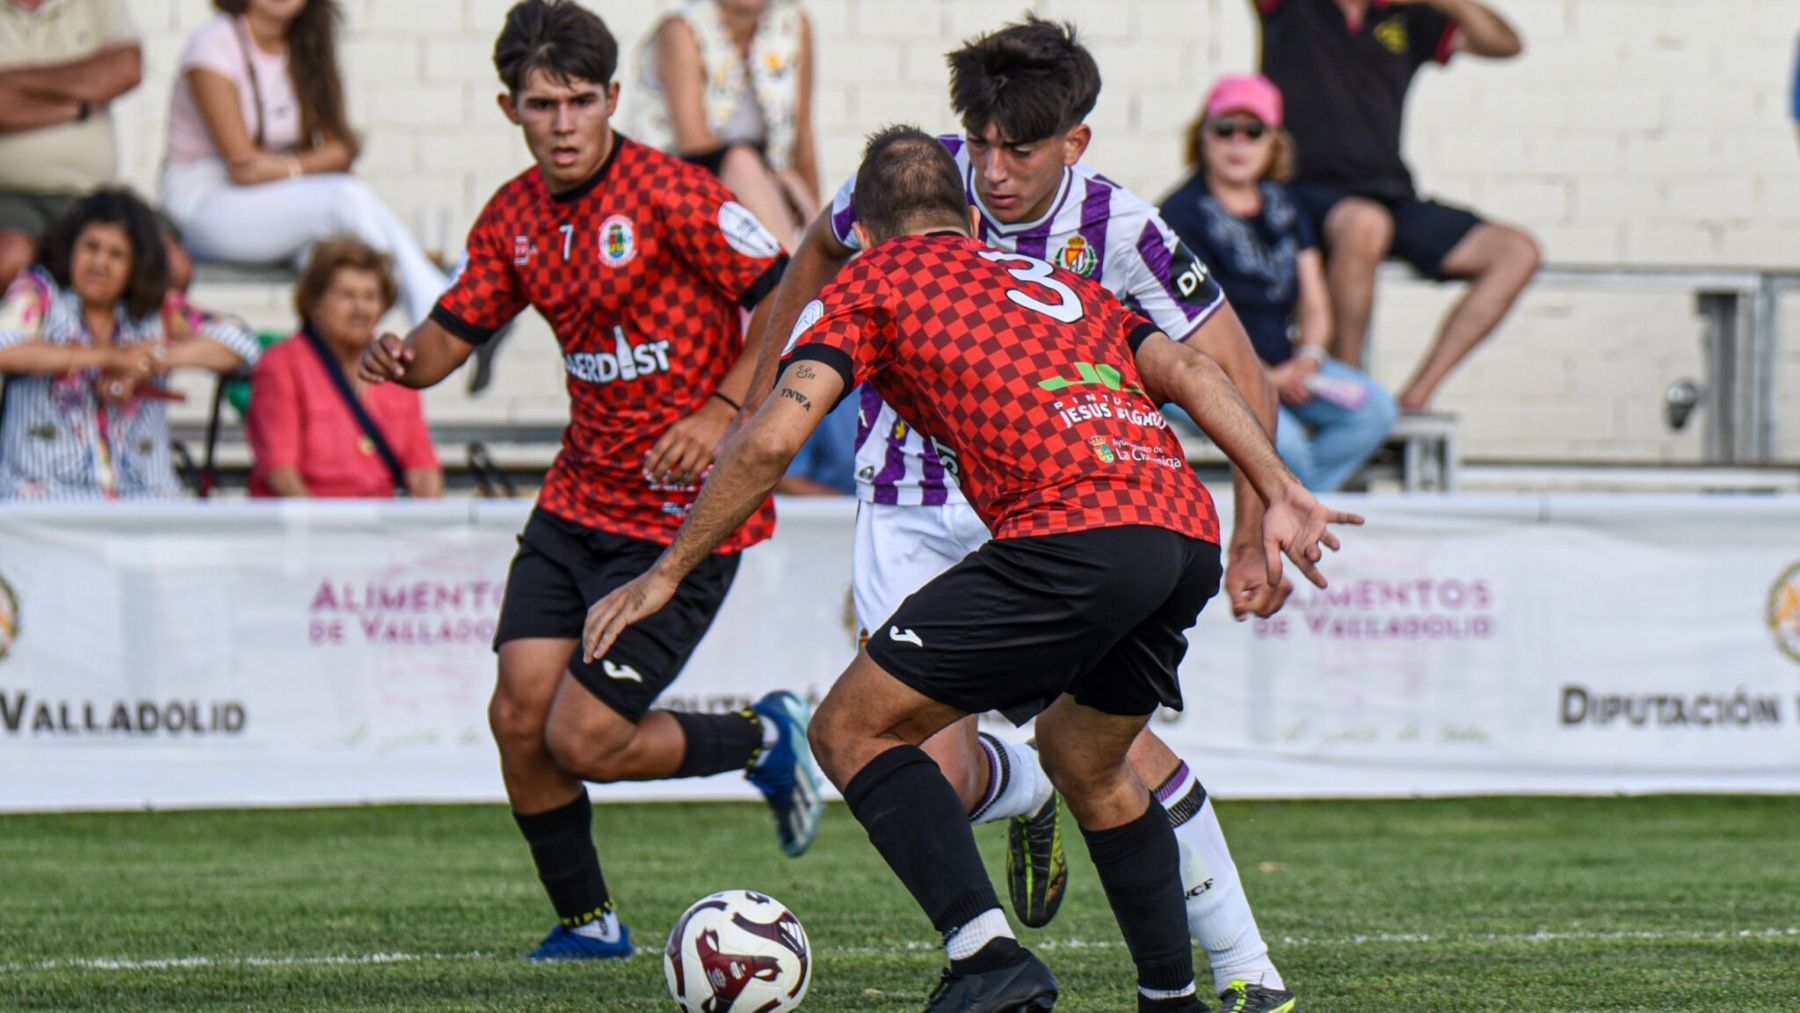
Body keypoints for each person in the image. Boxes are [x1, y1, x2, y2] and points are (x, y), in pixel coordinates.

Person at [583, 126, 1360, 1013]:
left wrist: (668, 571)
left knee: (848, 730)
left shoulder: (871, 279)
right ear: (963, 215)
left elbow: (769, 441)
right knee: (1089, 759)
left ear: (866, 235)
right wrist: (1280, 487)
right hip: (1176, 525)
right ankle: (1170, 997)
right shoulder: (1058, 282)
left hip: (1071, 530)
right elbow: (1188, 366)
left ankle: (987, 953)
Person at [749, 17, 1304, 1011]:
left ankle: (1247, 967)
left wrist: (1259, 522)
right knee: (926, 769)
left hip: (1067, 501)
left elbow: (1231, 366)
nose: (994, 173)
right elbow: (811, 261)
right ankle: (1020, 782)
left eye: (1022, 150)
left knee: (1117, 747)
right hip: (919, 504)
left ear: (1075, 143)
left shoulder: (1121, 227)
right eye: (983, 144)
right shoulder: (912, 188)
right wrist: (747, 396)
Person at [354, 0, 821, 961]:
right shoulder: (515, 217)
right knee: (517, 715)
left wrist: (721, 413)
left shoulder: (669, 193)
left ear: (614, 98)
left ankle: (768, 740)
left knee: (583, 738)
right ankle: (589, 923)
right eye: (540, 104)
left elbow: (788, 292)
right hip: (576, 505)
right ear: (508, 108)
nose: (562, 123)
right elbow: (449, 340)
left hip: (682, 524)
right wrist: (400, 357)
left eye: (578, 100)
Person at [1256, 0, 1541, 411]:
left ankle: (1415, 397)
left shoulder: (1407, 16)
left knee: (1516, 252)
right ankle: (1344, 394)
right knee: (1365, 224)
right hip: (1303, 194)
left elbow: (1505, 43)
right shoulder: (1292, 7)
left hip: (1389, 194)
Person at [1162, 75, 1397, 493]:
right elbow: (1187, 322)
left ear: (1273, 142)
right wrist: (1264, 375)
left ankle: (1294, 509)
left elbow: (1313, 302)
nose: (1238, 143)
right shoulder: (1181, 214)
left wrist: (1305, 359)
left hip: (1286, 366)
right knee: (1284, 446)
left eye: (1253, 131)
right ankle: (1299, 516)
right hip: (1211, 370)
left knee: (1374, 411)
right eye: (1224, 129)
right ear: (1203, 137)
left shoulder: (1285, 204)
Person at [159, 0, 446, 323]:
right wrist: (307, 168)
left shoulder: (306, 43)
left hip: (269, 199)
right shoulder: (214, 43)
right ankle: (442, 317)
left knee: (333, 259)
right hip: (204, 207)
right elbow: (243, 166)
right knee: (344, 197)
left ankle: (336, 367)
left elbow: (341, 148)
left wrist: (286, 168)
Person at [0, 189, 257, 499]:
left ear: (136, 265)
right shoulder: (40, 294)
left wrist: (152, 359)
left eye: (116, 255)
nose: (99, 263)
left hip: (146, 503)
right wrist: (110, 358)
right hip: (48, 504)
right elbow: (5, 348)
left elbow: (242, 343)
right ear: (71, 250)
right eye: (90, 248)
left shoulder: (156, 310)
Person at [0, 0, 191, 293]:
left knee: (171, 265)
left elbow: (126, 69)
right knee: (10, 258)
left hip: (90, 194)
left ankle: (136, 340)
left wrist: (13, 83)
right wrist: (80, 104)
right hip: (9, 197)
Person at [247, 237, 443, 499]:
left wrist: (428, 531)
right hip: (304, 528)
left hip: (381, 529)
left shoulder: (393, 364)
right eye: (346, 295)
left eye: (371, 296)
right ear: (315, 302)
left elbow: (423, 469)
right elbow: (281, 474)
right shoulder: (281, 365)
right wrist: (322, 535)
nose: (360, 308)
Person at [630, 0, 819, 247]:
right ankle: (791, 275)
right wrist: (773, 179)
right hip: (678, 186)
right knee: (742, 162)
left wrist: (819, 223)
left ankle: (819, 272)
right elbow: (694, 143)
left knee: (797, 191)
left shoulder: (794, 26)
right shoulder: (681, 29)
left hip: (765, 188)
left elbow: (801, 140)